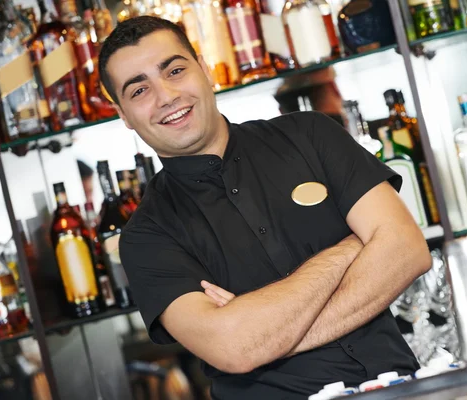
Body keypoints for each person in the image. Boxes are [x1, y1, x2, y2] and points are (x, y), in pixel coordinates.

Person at [99, 16, 432, 399]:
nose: (166, 96)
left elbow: (407, 250)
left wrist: (266, 334)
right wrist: (352, 247)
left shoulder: (310, 135)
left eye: (175, 70)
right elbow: (235, 349)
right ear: (123, 115)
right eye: (139, 91)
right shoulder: (146, 237)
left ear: (205, 71)